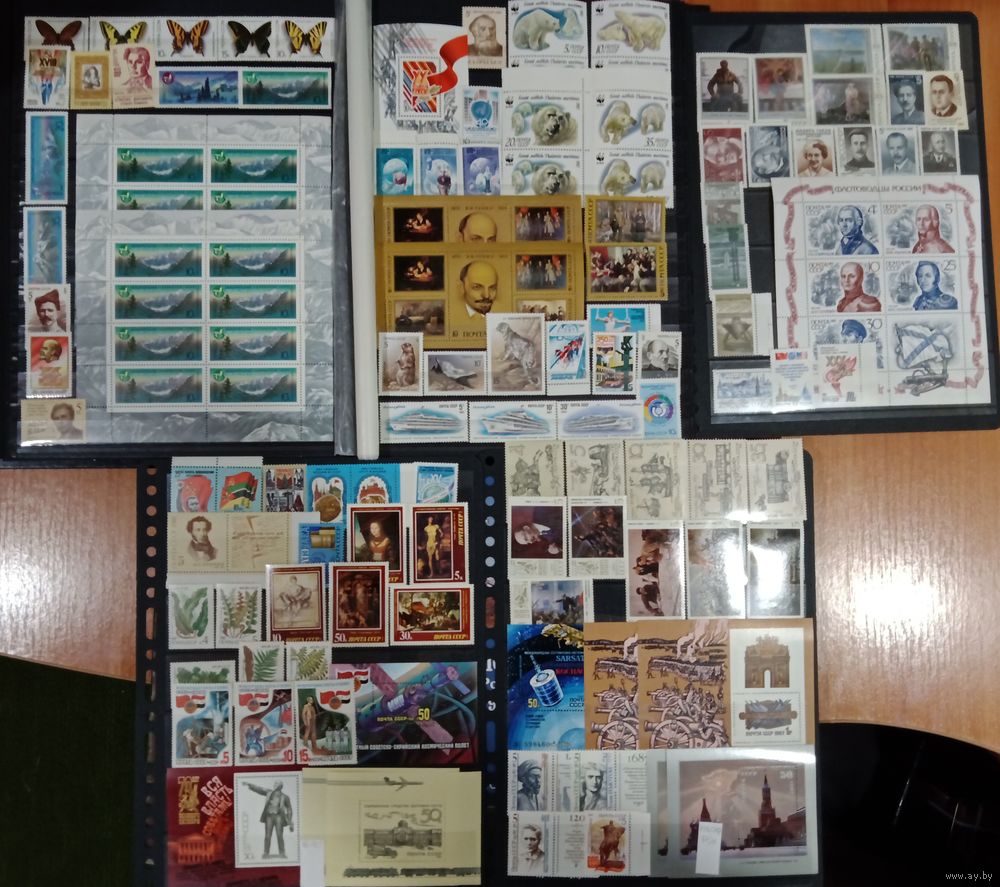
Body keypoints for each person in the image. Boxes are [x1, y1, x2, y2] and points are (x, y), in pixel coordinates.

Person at [245, 780, 294, 860]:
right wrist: (250, 785)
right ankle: (266, 853)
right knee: (268, 835)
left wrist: (290, 820)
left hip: (279, 817)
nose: (274, 785)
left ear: (280, 786)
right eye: (274, 783)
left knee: (279, 835)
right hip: (269, 817)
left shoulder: (285, 797)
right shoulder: (269, 792)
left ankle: (282, 853)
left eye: (276, 784)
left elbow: (289, 809)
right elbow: (260, 789)